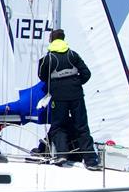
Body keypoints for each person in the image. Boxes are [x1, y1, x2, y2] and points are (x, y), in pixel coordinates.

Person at [37, 29, 100, 170]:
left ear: (51, 40)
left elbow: (41, 75)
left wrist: (55, 84)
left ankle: (62, 155)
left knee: (58, 126)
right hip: (76, 94)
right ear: (64, 39)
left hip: (59, 97)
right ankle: (91, 161)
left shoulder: (48, 58)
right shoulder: (73, 55)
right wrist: (76, 83)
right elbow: (86, 73)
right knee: (82, 126)